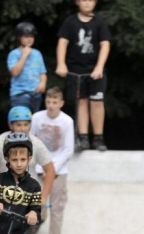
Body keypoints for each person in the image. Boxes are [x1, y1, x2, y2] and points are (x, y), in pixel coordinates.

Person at [56, 0, 112, 152]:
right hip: (76, 70)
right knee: (81, 102)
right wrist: (61, 64)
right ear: (77, 2)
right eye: (83, 0)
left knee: (97, 102)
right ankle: (83, 136)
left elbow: (105, 45)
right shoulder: (70, 21)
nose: (87, 3)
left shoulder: (99, 21)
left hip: (95, 70)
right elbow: (62, 42)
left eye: (90, 0)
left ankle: (99, 137)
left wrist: (99, 66)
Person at [0, 106, 55, 223]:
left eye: (26, 125)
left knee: (38, 216)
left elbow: (50, 170)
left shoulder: (36, 143)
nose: (22, 129)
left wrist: (44, 197)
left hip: (29, 192)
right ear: (10, 125)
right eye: (18, 125)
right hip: (4, 190)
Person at [30, 87, 75, 234]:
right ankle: (37, 221)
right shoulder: (37, 118)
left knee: (57, 208)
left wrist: (53, 168)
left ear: (61, 103)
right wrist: (38, 165)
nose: (51, 106)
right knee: (37, 203)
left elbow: (68, 149)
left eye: (55, 102)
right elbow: (31, 140)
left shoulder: (67, 121)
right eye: (48, 102)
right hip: (39, 168)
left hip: (58, 170)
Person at [8, 22, 47, 113]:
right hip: (20, 94)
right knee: (22, 121)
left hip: (36, 94)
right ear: (19, 37)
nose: (29, 39)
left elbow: (42, 73)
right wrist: (24, 56)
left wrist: (43, 83)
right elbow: (14, 72)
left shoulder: (37, 54)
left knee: (34, 122)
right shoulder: (14, 54)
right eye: (26, 37)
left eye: (31, 36)